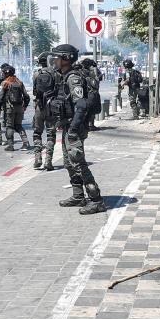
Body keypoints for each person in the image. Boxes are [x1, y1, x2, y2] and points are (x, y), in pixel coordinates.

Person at [49, 45, 106, 215]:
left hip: (75, 127)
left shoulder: (73, 78)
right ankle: (78, 195)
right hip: (68, 125)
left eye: (57, 58)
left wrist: (73, 129)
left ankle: (96, 201)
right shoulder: (64, 76)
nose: (54, 61)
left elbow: (81, 106)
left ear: (66, 59)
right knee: (69, 163)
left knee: (79, 163)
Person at [31, 53, 59, 171]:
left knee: (37, 133)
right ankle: (48, 161)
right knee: (51, 134)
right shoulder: (56, 74)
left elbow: (34, 91)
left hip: (39, 106)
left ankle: (37, 158)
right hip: (51, 107)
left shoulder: (36, 74)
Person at [0, 66, 31, 151]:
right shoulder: (19, 82)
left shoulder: (5, 83)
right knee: (18, 125)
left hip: (9, 108)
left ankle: (10, 145)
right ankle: (26, 143)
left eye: (4, 73)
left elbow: (0, 97)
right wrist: (24, 106)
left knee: (9, 126)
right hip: (20, 108)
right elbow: (26, 96)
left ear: (7, 73)